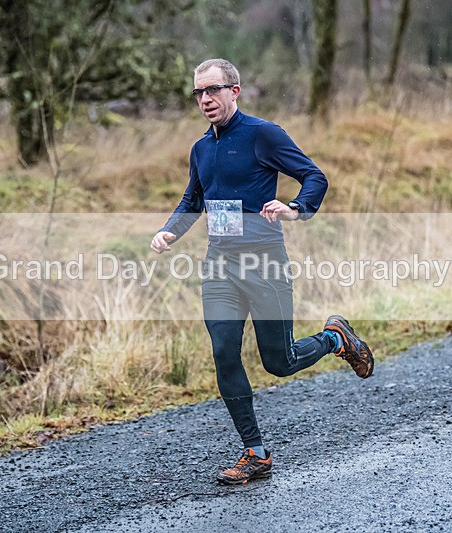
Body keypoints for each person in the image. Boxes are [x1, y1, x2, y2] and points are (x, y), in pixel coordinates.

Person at [150, 58, 374, 485]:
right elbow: (192, 200)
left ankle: (334, 338)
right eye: (198, 93)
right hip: (220, 265)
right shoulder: (201, 148)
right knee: (223, 351)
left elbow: (314, 176)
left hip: (264, 262)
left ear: (235, 91)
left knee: (280, 362)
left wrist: (293, 209)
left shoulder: (263, 135)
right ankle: (255, 453)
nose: (205, 100)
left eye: (213, 90)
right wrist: (169, 231)